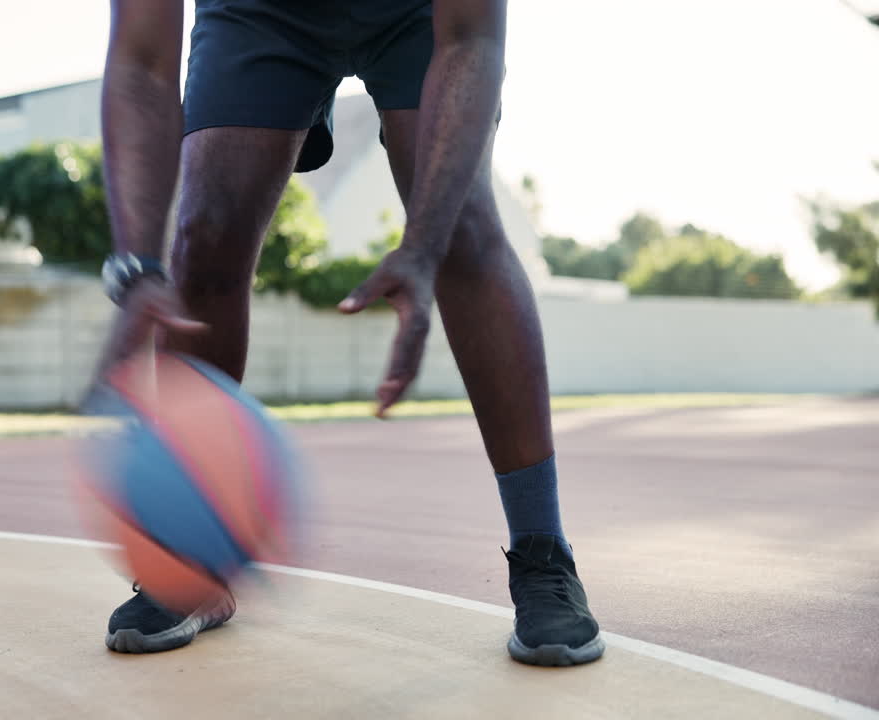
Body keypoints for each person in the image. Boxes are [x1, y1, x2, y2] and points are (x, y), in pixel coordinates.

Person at [93, 0, 603, 666]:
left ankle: (542, 551)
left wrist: (422, 245)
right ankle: (192, 559)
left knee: (464, 232)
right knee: (204, 230)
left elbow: (473, 39)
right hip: (258, 13)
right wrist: (136, 265)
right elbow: (140, 60)